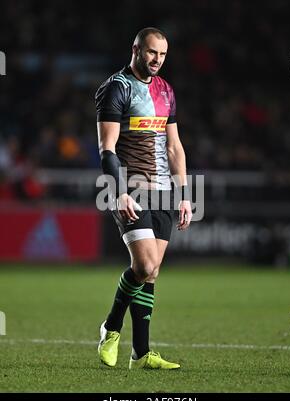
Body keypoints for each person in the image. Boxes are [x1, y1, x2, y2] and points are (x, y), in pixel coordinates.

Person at [95, 27, 192, 370]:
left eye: (163, 55)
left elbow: (174, 147)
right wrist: (118, 191)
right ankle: (111, 327)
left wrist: (183, 195)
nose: (157, 60)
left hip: (165, 191)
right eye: (152, 52)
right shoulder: (116, 89)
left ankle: (141, 352)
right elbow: (107, 149)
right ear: (135, 48)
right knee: (145, 265)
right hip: (131, 189)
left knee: (150, 274)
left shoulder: (166, 91)